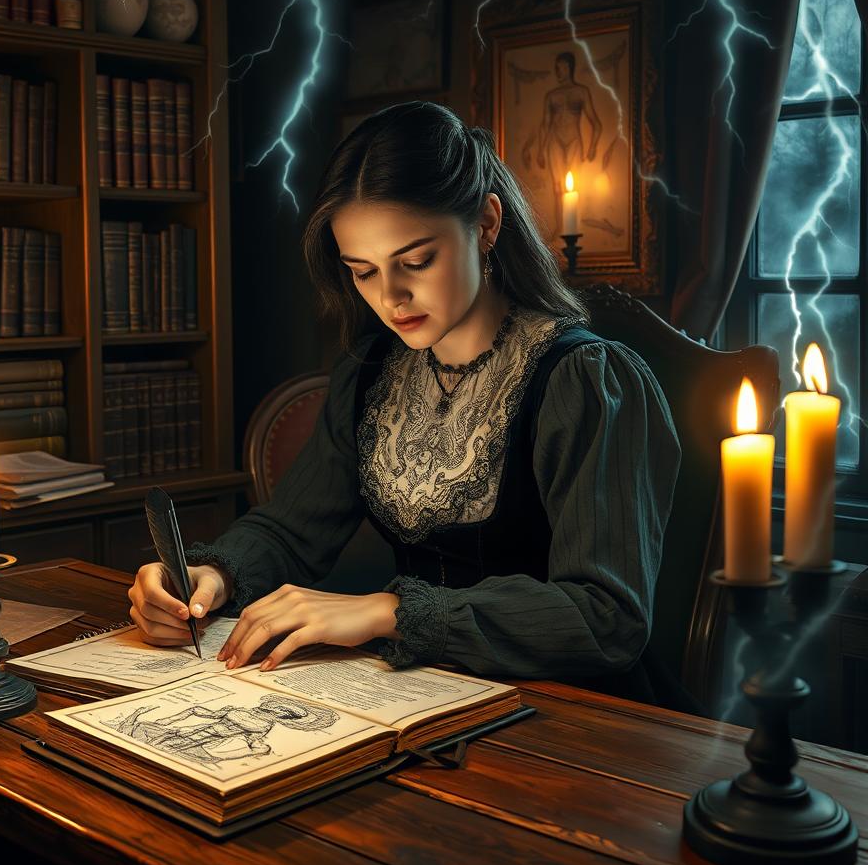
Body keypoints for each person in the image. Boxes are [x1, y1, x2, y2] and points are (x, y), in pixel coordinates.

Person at [128, 100, 687, 708]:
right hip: (422, 699)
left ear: (488, 223)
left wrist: (390, 611)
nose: (391, 296)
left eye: (416, 260)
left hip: (576, 713)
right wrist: (214, 576)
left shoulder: (584, 381)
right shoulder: (371, 374)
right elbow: (290, 530)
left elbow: (606, 618)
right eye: (362, 271)